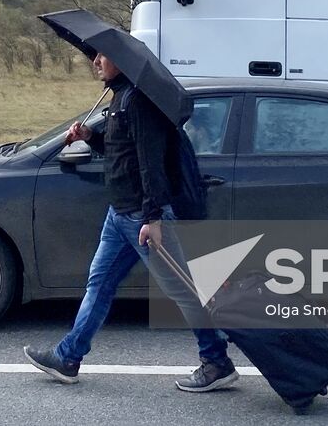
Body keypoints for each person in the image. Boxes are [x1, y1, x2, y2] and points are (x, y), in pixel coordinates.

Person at [23, 52, 238, 393]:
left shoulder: (138, 102)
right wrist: (89, 137)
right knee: (100, 284)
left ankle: (217, 362)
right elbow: (122, 152)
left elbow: (150, 163)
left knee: (182, 290)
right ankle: (68, 358)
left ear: (121, 61)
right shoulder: (120, 98)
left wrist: (153, 218)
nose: (96, 62)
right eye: (95, 56)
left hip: (140, 215)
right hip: (120, 214)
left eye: (102, 57)